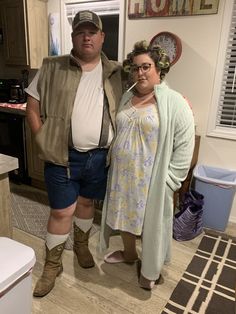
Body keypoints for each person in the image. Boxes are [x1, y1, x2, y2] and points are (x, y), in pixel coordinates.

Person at [25, 10, 123, 297]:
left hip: (99, 158)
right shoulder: (52, 67)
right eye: (81, 31)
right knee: (60, 211)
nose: (87, 36)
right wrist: (41, 138)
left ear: (102, 37)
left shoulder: (117, 71)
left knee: (85, 205)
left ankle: (81, 246)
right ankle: (52, 266)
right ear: (73, 36)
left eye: (92, 31)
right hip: (61, 156)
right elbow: (32, 105)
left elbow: (147, 84)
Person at [99, 40, 195, 290]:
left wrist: (171, 181)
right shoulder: (128, 97)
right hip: (122, 175)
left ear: (159, 69)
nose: (140, 72)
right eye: (135, 67)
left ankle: (151, 266)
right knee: (125, 217)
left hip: (152, 179)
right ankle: (130, 254)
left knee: (152, 225)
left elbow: (185, 145)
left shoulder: (175, 102)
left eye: (146, 67)